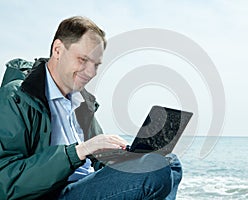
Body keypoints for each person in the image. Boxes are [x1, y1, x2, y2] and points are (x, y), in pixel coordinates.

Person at [0, 16, 182, 199]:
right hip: (49, 193)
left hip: (85, 185)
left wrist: (124, 156)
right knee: (154, 171)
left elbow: (98, 158)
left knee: (170, 163)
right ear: (58, 50)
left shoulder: (82, 103)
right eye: (83, 60)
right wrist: (77, 152)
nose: (91, 73)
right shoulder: (16, 96)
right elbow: (5, 181)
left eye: (96, 65)